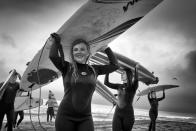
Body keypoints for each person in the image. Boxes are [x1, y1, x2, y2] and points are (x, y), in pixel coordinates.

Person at [49, 33, 119, 131]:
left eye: (82, 49)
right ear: (72, 53)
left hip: (85, 117)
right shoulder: (67, 67)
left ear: (88, 53)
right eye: (75, 50)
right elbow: (53, 56)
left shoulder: (95, 70)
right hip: (65, 116)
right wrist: (56, 42)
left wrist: (106, 48)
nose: (79, 52)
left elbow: (115, 65)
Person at [104, 64, 139, 131]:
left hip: (128, 116)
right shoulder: (119, 86)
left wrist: (136, 69)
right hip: (117, 114)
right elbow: (106, 83)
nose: (121, 75)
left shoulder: (133, 87)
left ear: (128, 75)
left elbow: (136, 80)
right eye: (121, 73)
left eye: (123, 73)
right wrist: (108, 70)